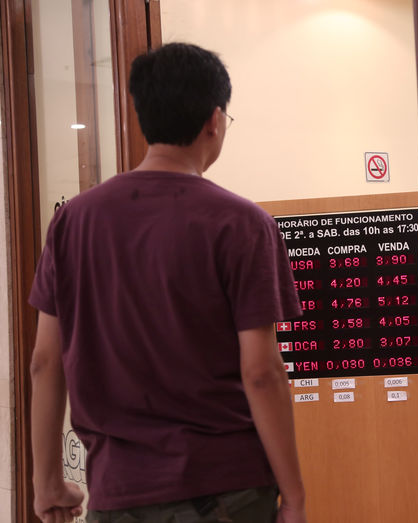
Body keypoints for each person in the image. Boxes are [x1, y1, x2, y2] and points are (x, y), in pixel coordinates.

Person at [28, 42, 307, 523]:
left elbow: (44, 362)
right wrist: (295, 497)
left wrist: (47, 482)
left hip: (118, 495)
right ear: (214, 121)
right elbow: (262, 372)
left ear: (144, 117)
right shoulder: (242, 224)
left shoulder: (72, 222)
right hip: (228, 491)